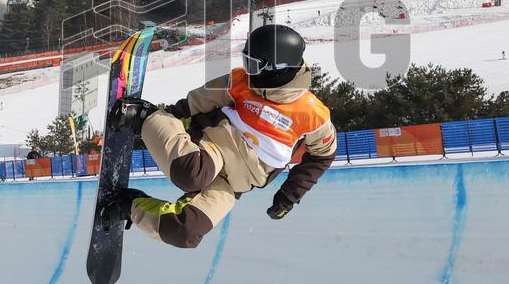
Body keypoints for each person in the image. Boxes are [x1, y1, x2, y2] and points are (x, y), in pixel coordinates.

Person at [102, 24, 337, 249]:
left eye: (253, 65)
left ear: (278, 69)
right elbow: (196, 103)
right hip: (214, 147)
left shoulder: (314, 115)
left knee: (186, 232)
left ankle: (127, 205)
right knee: (192, 174)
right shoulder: (240, 82)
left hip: (234, 184)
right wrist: (159, 121)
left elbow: (322, 156)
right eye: (246, 61)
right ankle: (143, 114)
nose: (247, 71)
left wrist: (288, 196)